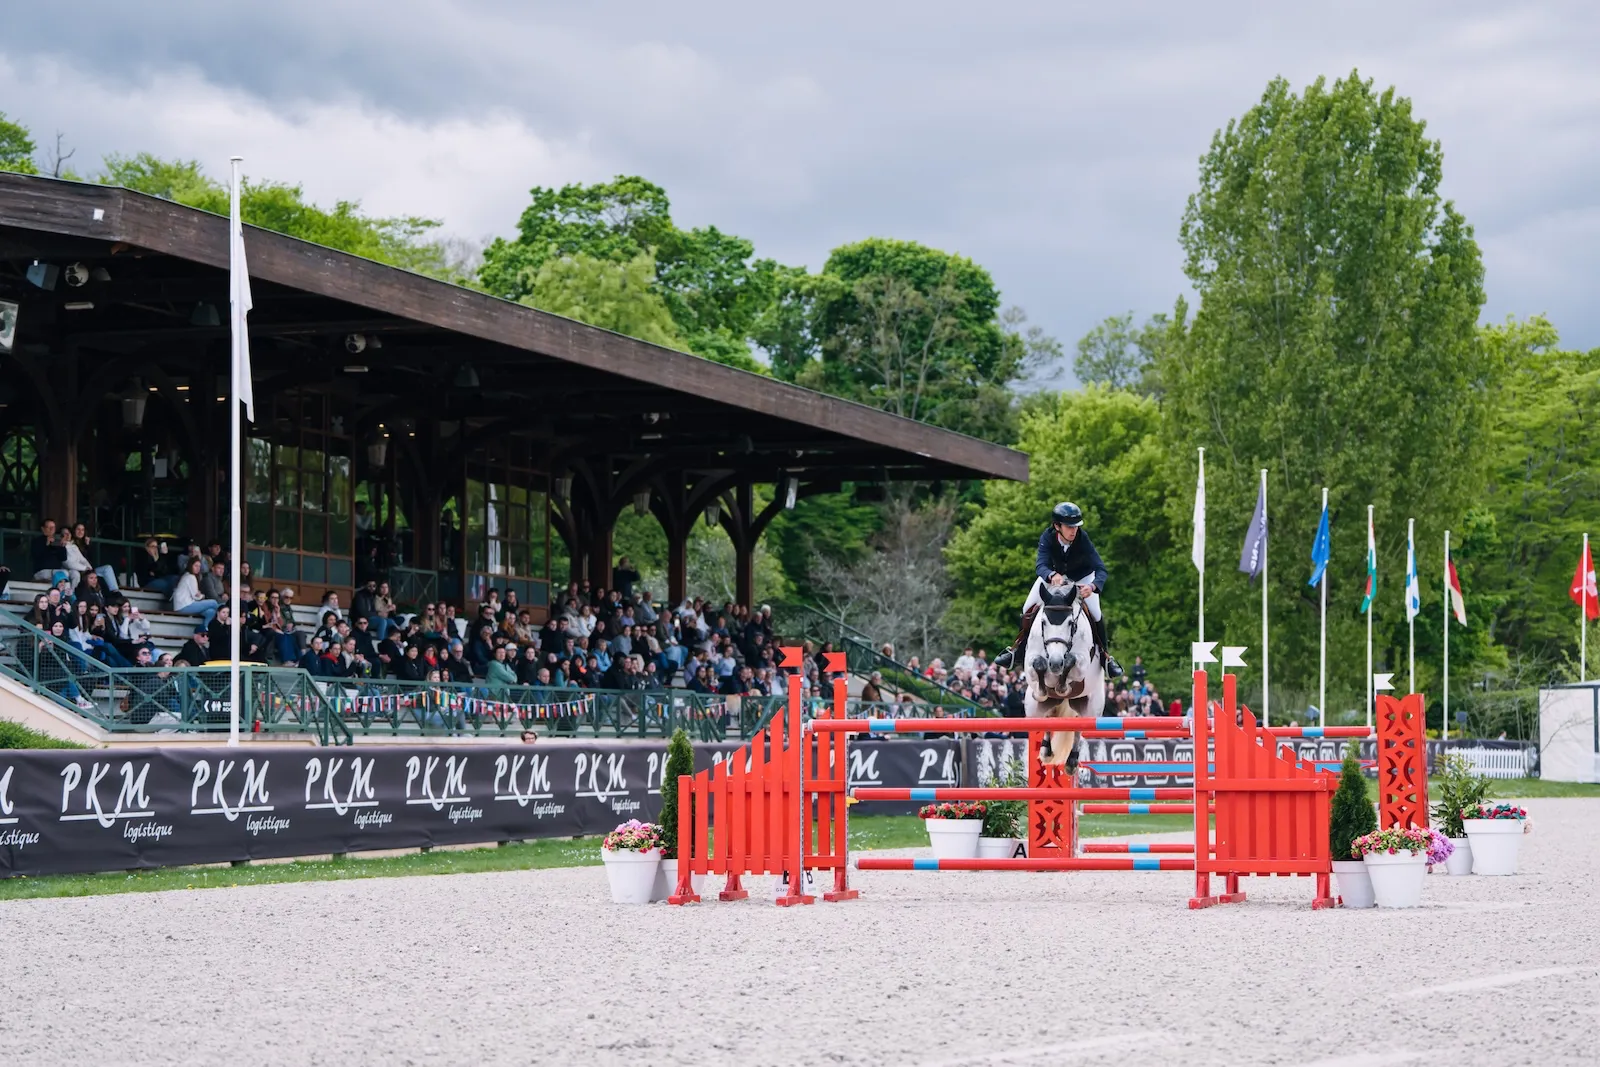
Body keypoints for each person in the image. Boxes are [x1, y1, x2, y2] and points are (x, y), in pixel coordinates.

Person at [991, 501, 1123, 677]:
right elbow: (1040, 565)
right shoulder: (1047, 537)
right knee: (1026, 608)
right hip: (1054, 578)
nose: (1073, 530)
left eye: (1076, 526)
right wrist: (1051, 575)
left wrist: (1092, 586)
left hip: (1081, 579)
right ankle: (1017, 650)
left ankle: (1106, 657)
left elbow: (1101, 568)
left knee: (1096, 613)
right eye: (1069, 526)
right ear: (1057, 526)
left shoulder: (1082, 539)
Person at [171, 557, 220, 629]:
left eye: (199, 566)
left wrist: (199, 594)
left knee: (211, 612)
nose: (198, 568)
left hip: (182, 606)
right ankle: (225, 614)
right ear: (190, 566)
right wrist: (202, 596)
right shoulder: (191, 577)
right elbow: (196, 596)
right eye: (196, 566)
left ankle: (205, 629)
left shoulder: (186, 575)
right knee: (213, 602)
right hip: (185, 606)